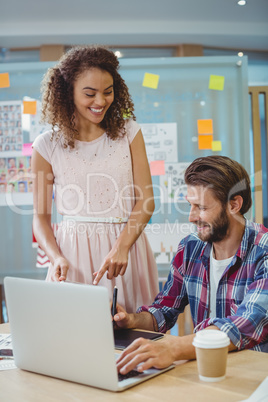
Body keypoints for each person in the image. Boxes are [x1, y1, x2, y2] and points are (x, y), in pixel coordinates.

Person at [31, 45, 159, 312]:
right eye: (90, 93)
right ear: (68, 93)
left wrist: (122, 247)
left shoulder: (129, 132)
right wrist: (55, 258)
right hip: (72, 256)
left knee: (134, 339)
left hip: (126, 250)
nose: (100, 101)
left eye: (108, 91)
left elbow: (146, 201)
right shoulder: (47, 145)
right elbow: (40, 218)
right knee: (73, 339)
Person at [114, 155, 268, 375]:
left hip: (252, 377)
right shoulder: (190, 248)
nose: (191, 217)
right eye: (190, 205)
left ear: (234, 204)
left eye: (201, 207)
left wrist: (174, 347)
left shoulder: (264, 251)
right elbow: (164, 310)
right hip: (203, 372)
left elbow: (246, 323)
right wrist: (131, 321)